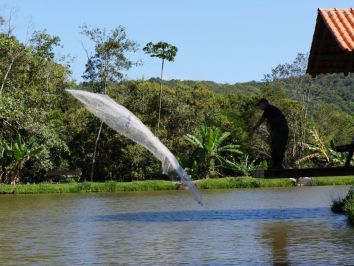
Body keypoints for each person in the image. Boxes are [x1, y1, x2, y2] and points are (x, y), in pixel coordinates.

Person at [251, 98, 289, 169]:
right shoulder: (272, 109)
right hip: (281, 130)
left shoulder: (268, 109)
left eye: (260, 105)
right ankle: (277, 166)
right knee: (276, 147)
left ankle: (277, 166)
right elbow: (271, 122)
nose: (259, 107)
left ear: (264, 103)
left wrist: (254, 128)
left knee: (277, 148)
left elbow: (261, 120)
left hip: (280, 131)